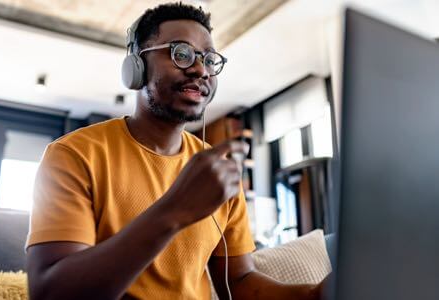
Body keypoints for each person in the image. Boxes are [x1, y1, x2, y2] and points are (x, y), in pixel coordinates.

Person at [26, 3, 327, 299]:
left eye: (209, 60)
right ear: (137, 67)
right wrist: (174, 211)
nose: (200, 69)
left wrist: (315, 295)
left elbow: (240, 281)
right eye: (180, 53)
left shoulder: (217, 169)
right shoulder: (74, 155)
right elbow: (52, 292)